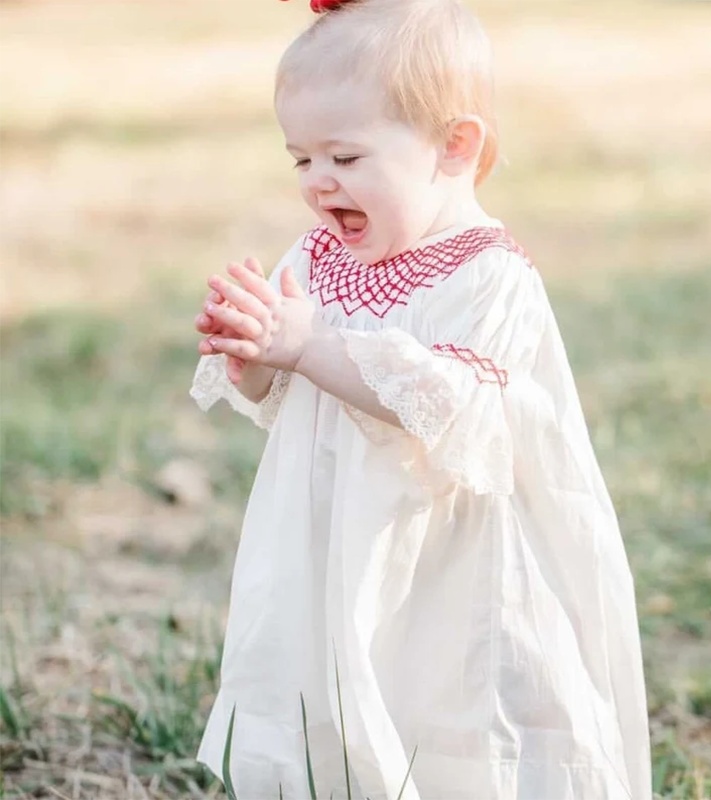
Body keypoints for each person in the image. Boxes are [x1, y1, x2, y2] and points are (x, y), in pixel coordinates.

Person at [190, 0, 652, 797]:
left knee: (447, 700)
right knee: (339, 688)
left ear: (453, 146)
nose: (318, 182)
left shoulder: (488, 274)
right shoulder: (318, 257)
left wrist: (309, 343)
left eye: (345, 156)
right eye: (300, 160)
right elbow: (278, 392)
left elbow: (443, 408)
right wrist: (257, 352)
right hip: (332, 541)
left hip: (450, 558)